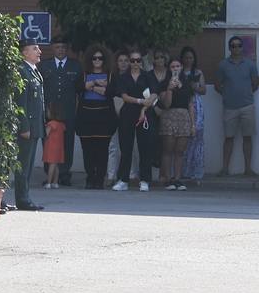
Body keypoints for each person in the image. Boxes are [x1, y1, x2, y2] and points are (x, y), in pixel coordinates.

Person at [108, 52, 160, 191]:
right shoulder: (123, 77)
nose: (135, 63)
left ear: (141, 62)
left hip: (145, 113)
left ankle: (145, 180)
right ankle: (123, 179)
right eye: (133, 60)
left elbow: (155, 92)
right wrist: (140, 101)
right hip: (128, 112)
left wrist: (145, 106)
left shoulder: (147, 75)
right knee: (126, 147)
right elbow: (124, 96)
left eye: (138, 60)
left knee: (145, 147)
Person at [8, 39, 46, 210]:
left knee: (28, 165)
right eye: (35, 49)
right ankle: (22, 199)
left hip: (35, 125)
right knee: (22, 165)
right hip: (27, 127)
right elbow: (20, 103)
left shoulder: (34, 71)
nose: (39, 51)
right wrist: (24, 127)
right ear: (24, 52)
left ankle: (25, 196)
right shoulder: (22, 71)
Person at [216, 36, 259, 175]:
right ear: (229, 48)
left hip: (247, 106)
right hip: (229, 107)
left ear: (243, 47)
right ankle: (224, 168)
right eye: (233, 46)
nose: (236, 48)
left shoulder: (250, 64)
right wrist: (228, 94)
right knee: (228, 138)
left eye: (239, 45)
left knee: (247, 137)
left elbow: (255, 84)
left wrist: (245, 94)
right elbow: (217, 85)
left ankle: (248, 169)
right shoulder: (223, 65)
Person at [42, 38, 82, 187]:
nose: (60, 50)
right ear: (53, 48)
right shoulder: (44, 65)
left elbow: (80, 90)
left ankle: (64, 174)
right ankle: (50, 175)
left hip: (68, 113)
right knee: (49, 144)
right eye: (58, 47)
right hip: (50, 114)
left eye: (63, 47)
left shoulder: (75, 66)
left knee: (67, 143)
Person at [77, 49, 118, 189]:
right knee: (88, 150)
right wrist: (95, 84)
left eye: (100, 58)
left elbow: (113, 91)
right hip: (86, 116)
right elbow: (77, 88)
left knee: (102, 151)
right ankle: (90, 177)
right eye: (94, 58)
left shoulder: (111, 75)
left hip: (104, 117)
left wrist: (92, 88)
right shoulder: (83, 74)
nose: (97, 61)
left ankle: (100, 178)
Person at [159, 57, 196, 191]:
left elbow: (190, 105)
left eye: (178, 66)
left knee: (180, 151)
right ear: (169, 69)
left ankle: (177, 179)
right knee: (168, 149)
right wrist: (169, 88)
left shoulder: (187, 84)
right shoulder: (164, 83)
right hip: (169, 116)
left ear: (181, 68)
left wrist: (193, 124)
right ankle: (168, 179)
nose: (175, 69)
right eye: (173, 66)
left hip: (184, 117)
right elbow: (166, 104)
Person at [179, 47, 208, 184]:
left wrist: (194, 86)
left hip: (196, 104)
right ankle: (182, 171)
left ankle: (196, 172)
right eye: (186, 57)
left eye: (191, 57)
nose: (188, 60)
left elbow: (204, 90)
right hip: (183, 103)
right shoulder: (178, 71)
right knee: (183, 138)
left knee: (196, 137)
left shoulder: (198, 72)